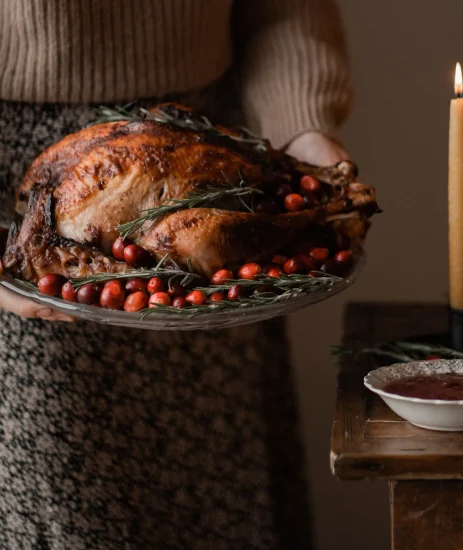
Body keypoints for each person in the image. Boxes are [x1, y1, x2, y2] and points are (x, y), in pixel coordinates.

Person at [0, 1, 352, 548]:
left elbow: (284, 9)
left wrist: (301, 131)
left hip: (202, 148)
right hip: (26, 185)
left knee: (219, 486)